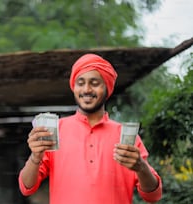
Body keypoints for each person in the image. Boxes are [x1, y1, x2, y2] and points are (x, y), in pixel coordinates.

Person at [18, 53, 162, 204]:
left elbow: (153, 196)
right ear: (74, 88)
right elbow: (27, 187)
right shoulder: (55, 131)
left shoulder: (124, 136)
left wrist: (141, 168)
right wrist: (35, 156)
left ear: (107, 87)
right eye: (80, 83)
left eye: (94, 83)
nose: (86, 89)